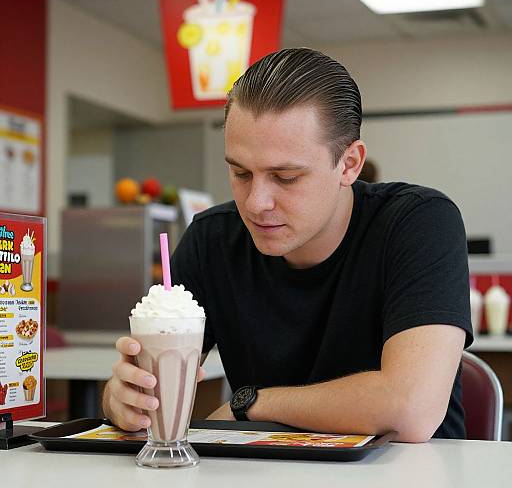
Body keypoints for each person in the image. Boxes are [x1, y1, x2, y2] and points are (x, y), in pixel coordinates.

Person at [103, 48, 472, 442]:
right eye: (241, 172)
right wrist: (120, 400)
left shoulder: (418, 223)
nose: (256, 203)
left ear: (349, 164)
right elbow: (133, 391)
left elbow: (411, 409)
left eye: (286, 176)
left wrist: (251, 404)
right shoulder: (211, 240)